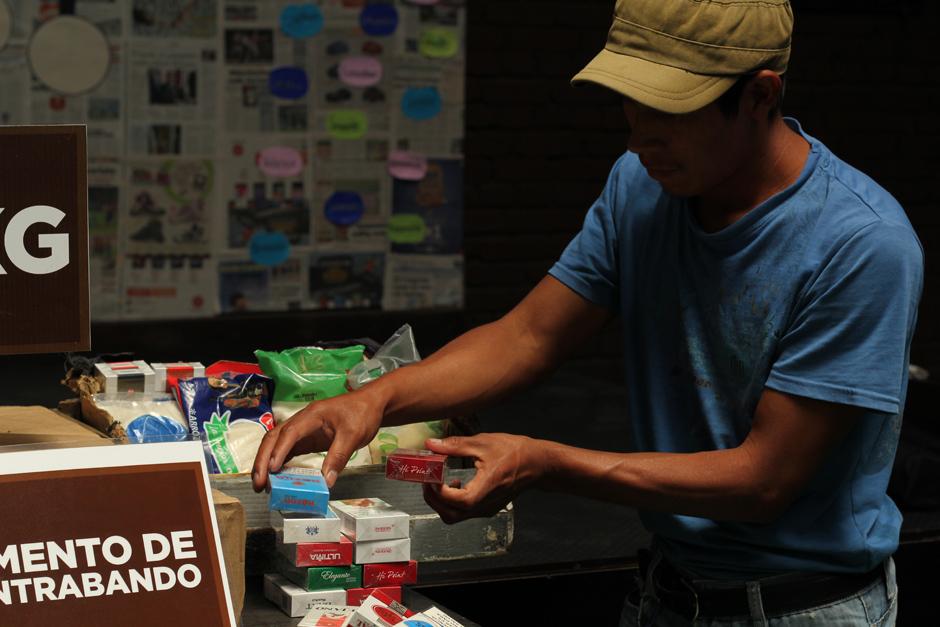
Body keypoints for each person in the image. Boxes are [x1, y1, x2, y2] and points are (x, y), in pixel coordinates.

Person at [253, 1, 923, 624]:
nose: (639, 140)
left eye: (669, 110)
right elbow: (530, 335)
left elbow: (762, 479)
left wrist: (543, 462)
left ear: (759, 95)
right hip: (669, 590)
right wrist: (376, 399)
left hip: (800, 608)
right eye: (630, 107)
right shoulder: (644, 185)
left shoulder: (860, 245)